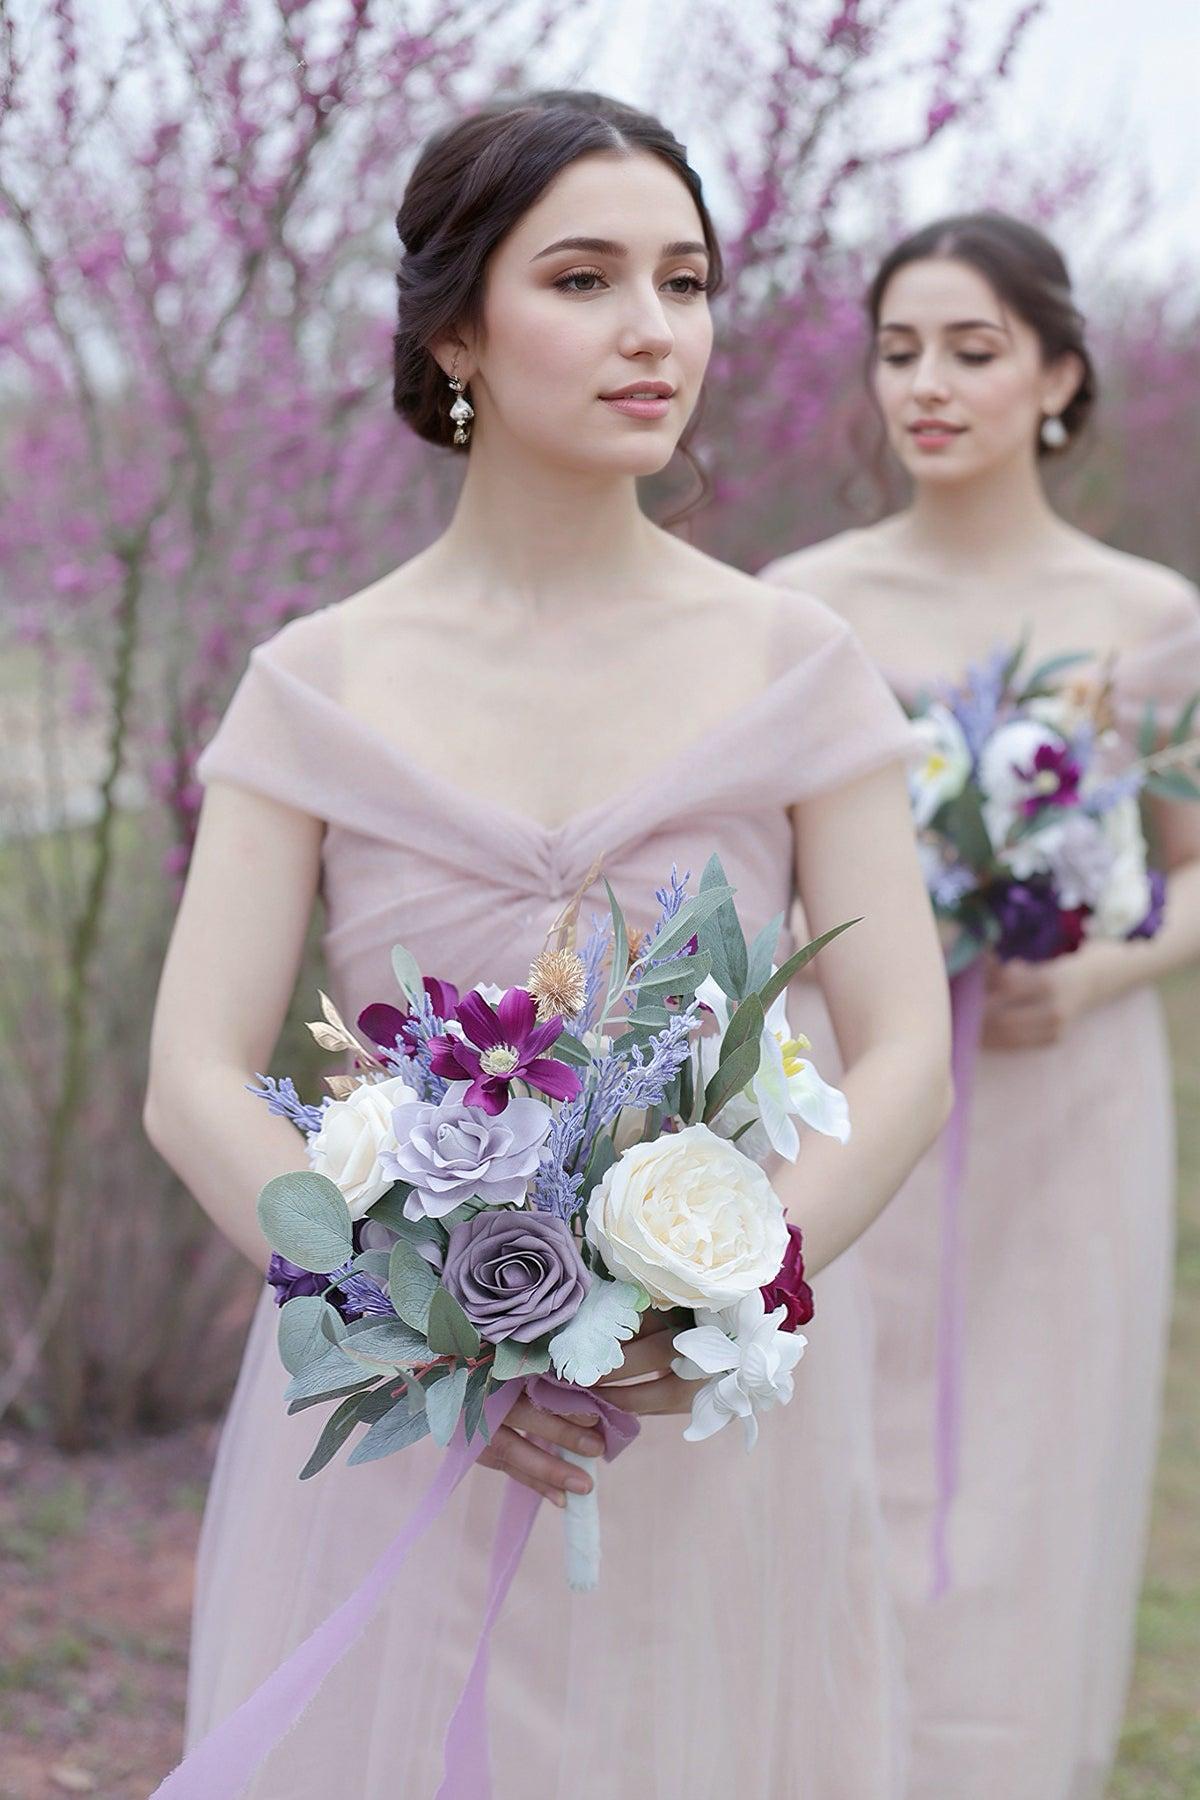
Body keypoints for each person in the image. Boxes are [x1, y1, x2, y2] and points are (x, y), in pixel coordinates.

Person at [144, 92, 951, 1799]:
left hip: (718, 1419)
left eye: (686, 279)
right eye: (584, 279)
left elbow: (906, 1052)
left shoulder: (797, 666)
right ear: (456, 329)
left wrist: (715, 1298)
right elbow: (192, 1079)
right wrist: (418, 1330)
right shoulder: (318, 684)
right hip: (399, 1414)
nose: (654, 330)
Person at [762, 210, 1200, 1800]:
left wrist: (1086, 968)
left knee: (1034, 1480)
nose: (927, 385)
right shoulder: (799, 606)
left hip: (1058, 1099)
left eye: (971, 349)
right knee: (824, 1454)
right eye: (897, 353)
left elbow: (1190, 867)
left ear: (1058, 379)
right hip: (848, 1088)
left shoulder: (1143, 612)